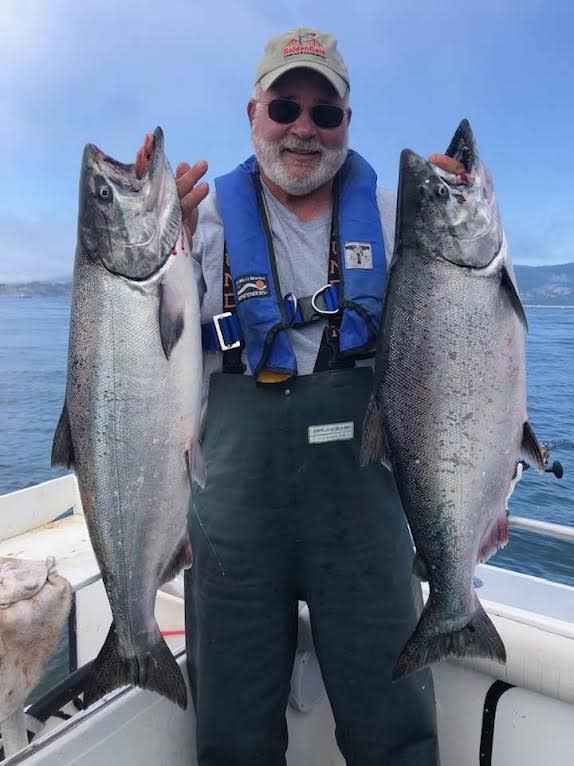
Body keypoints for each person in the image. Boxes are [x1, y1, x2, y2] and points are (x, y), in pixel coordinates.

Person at [135, 27, 465, 766]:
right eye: (286, 106)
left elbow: (455, 353)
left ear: (349, 123)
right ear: (253, 112)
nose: (303, 130)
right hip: (233, 513)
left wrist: (459, 210)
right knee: (235, 728)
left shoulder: (398, 218)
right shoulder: (195, 226)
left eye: (326, 113)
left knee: (396, 722)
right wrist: (164, 262)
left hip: (366, 504)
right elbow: (136, 355)